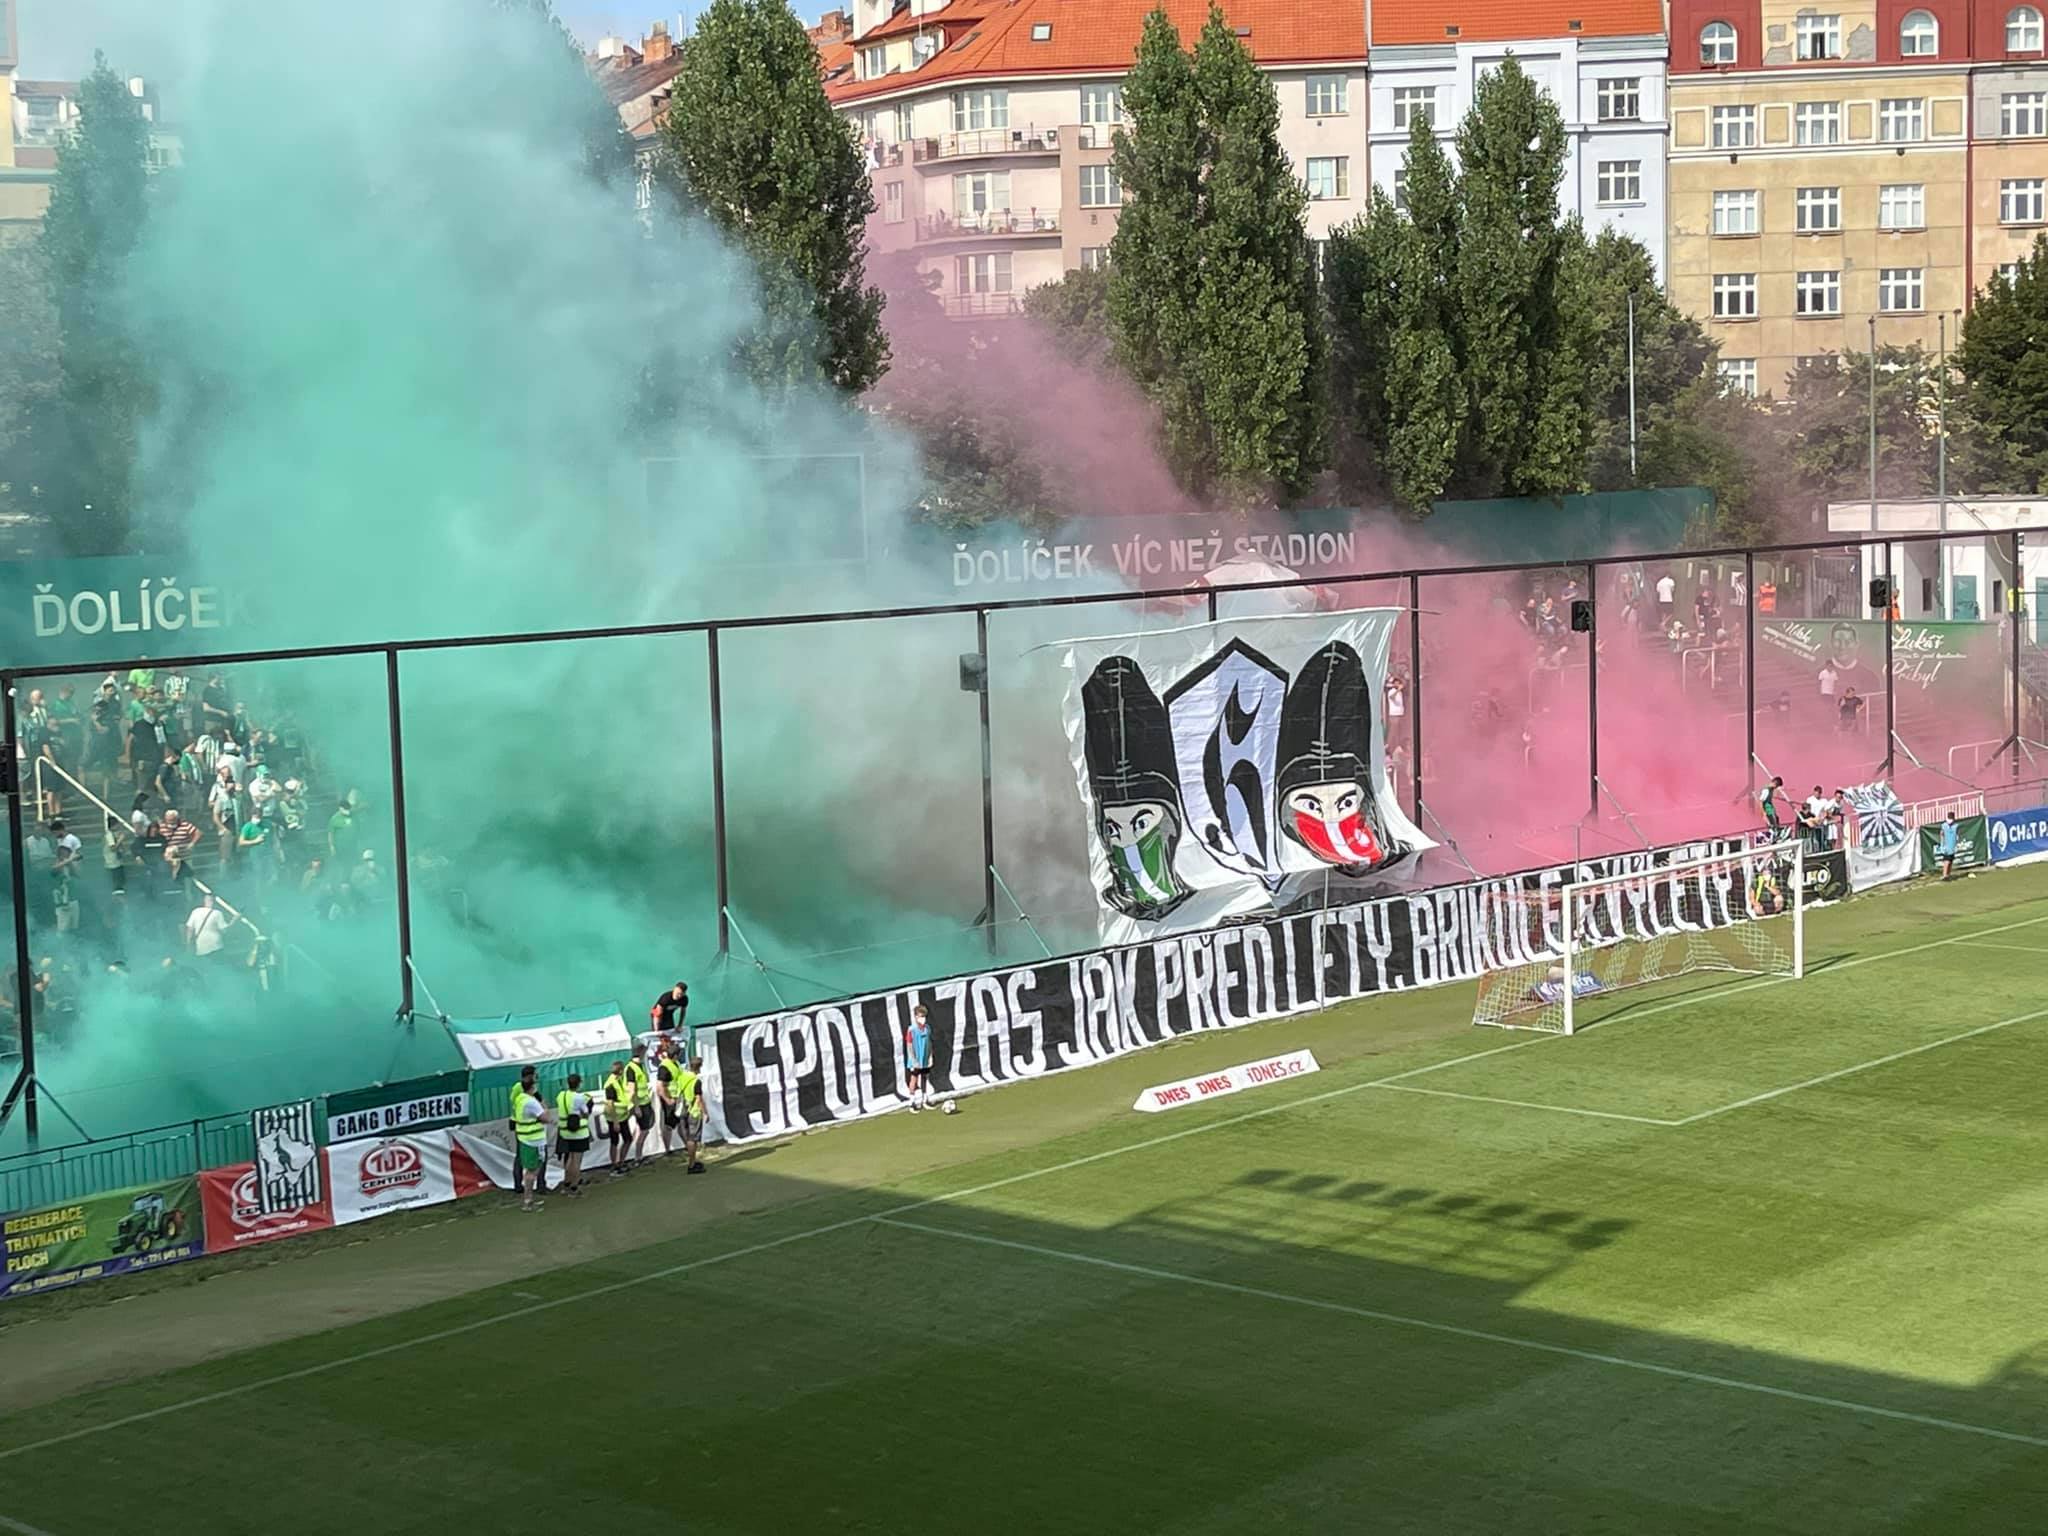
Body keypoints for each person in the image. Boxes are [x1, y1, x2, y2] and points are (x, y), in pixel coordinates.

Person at [510, 1065, 550, 1212]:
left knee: (530, 1164)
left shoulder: (524, 1097)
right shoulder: (523, 1095)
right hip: (532, 1136)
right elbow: (545, 1116)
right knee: (529, 1164)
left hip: (526, 1132)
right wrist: (542, 1105)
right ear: (530, 1078)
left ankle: (533, 1191)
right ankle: (525, 1194)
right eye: (535, 1076)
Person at [554, 1072, 593, 1197]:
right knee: (577, 1160)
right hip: (578, 1132)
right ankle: (574, 1186)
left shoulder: (561, 1095)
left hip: (564, 1131)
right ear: (579, 1083)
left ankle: (566, 1184)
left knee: (569, 1158)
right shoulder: (579, 1097)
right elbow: (586, 1113)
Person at [601, 1057, 634, 1178]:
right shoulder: (610, 1084)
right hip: (614, 1118)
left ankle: (620, 1163)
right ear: (620, 1071)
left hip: (622, 1117)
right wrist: (615, 1122)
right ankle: (614, 1166)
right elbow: (610, 1104)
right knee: (614, 1142)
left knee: (628, 1139)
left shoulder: (618, 1080)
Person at [657, 1044, 691, 1157]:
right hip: (671, 1100)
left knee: (681, 1123)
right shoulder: (664, 1067)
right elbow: (661, 1086)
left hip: (678, 1098)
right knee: (669, 1125)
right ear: (675, 1055)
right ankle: (667, 1149)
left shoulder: (675, 1064)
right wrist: (668, 1100)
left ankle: (687, 1145)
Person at [625, 1043, 655, 1167]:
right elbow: (632, 1090)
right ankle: (638, 1156)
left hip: (644, 1102)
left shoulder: (639, 1066)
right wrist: (636, 1106)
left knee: (642, 1130)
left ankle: (638, 1155)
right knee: (644, 1130)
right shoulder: (631, 1068)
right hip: (640, 1104)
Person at [678, 1055, 706, 1174]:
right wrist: (705, 1112)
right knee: (692, 1138)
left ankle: (692, 1161)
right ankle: (692, 1163)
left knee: (687, 1136)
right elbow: (699, 1099)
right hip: (693, 1111)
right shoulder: (696, 1081)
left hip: (683, 1109)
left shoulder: (682, 1076)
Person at [904, 1003, 933, 1112]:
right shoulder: (911, 1030)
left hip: (925, 1059)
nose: (922, 1019)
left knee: (925, 1078)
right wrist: (914, 1060)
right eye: (920, 1016)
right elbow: (909, 1046)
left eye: (924, 1016)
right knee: (914, 1079)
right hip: (915, 1060)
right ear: (916, 1017)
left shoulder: (928, 1028)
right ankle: (912, 1103)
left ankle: (925, 1100)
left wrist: (930, 1057)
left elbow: (929, 1043)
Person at [184, 892, 231, 958]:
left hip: (201, 948)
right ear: (214, 901)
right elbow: (225, 930)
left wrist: (188, 945)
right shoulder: (217, 913)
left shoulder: (195, 911)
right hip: (216, 946)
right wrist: (234, 921)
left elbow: (190, 929)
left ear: (204, 901)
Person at [1935, 812, 1960, 881]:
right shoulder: (1944, 825)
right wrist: (1942, 845)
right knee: (1947, 861)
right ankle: (1944, 875)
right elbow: (1941, 835)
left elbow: (1957, 835)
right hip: (1946, 846)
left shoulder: (1956, 826)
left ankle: (1948, 874)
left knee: (1950, 861)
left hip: (1953, 846)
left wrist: (1957, 844)